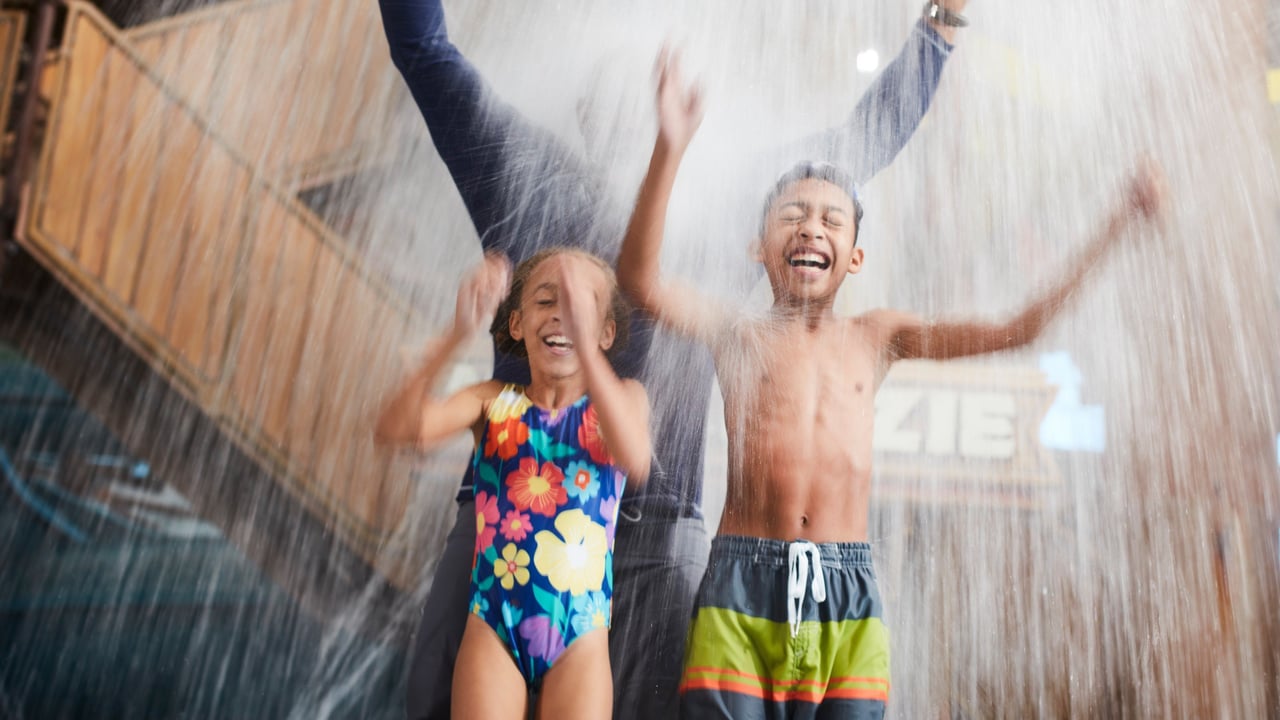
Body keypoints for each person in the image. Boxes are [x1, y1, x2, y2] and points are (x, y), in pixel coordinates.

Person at [375, 2, 969, 717]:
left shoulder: (727, 213)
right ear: (587, 116)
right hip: (511, 511)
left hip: (655, 527)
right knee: (438, 701)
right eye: (619, 100)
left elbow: (862, 139)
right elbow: (425, 52)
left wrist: (941, 25)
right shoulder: (524, 173)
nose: (639, 114)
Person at [617, 52, 1167, 719]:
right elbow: (640, 281)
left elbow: (1018, 329)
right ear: (757, 247)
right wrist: (669, 149)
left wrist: (1115, 227)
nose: (811, 226)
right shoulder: (736, 332)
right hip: (740, 582)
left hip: (846, 592)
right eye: (792, 215)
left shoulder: (878, 337)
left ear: (854, 257)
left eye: (831, 219)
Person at [375, 248, 651, 719]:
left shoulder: (624, 399)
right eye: (546, 301)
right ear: (517, 323)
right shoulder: (491, 401)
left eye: (580, 306)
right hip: (493, 626)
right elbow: (397, 430)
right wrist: (457, 334)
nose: (562, 314)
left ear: (606, 333)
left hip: (581, 636)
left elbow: (636, 457)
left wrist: (585, 349)